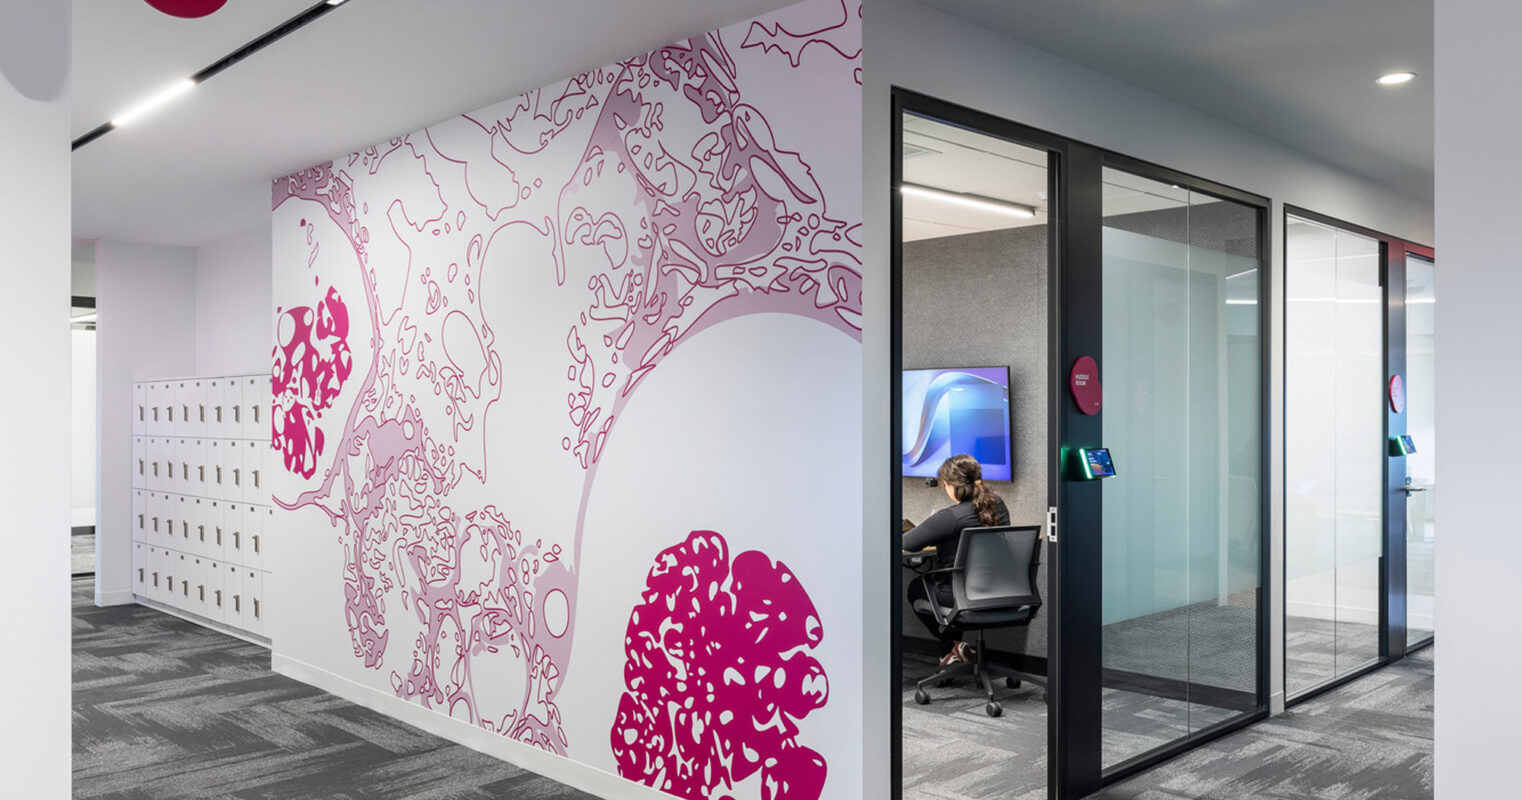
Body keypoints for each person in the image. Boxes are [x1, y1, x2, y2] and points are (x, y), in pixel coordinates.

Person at [902, 453, 1010, 665]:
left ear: (952, 486)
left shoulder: (950, 516)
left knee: (916, 588)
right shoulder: (998, 504)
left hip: (961, 594)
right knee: (943, 587)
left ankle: (950, 646)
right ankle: (951, 652)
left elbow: (907, 543)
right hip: (1002, 589)